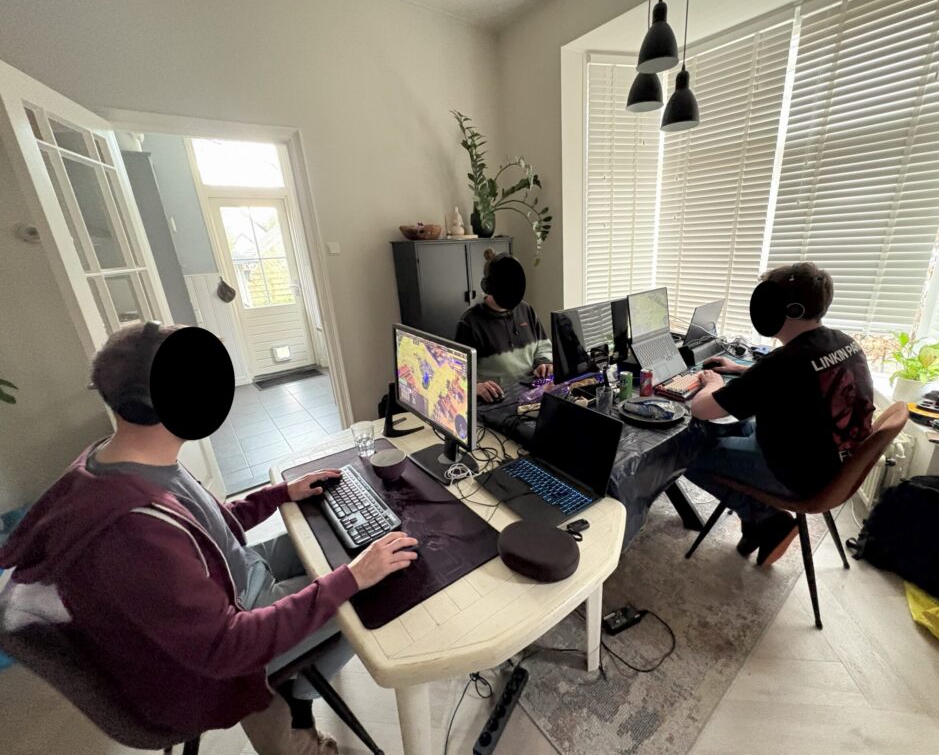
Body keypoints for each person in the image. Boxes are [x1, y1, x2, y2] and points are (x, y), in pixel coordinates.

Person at [0, 323, 419, 755]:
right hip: (235, 635)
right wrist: (352, 578)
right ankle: (297, 695)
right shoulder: (133, 531)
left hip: (232, 578)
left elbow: (203, 526)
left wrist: (278, 494)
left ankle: (298, 683)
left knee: (341, 539)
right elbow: (229, 647)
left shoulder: (119, 457)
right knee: (379, 586)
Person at [686, 262, 875, 566]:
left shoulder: (785, 362)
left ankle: (767, 518)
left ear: (792, 310)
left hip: (801, 477)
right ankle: (756, 523)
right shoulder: (843, 342)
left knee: (687, 454)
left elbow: (702, 409)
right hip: (835, 466)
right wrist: (742, 371)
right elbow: (800, 378)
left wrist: (714, 383)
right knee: (740, 427)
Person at [456, 249, 553, 402]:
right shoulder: (470, 322)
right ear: (487, 286)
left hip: (532, 394)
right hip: (498, 400)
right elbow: (457, 372)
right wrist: (474, 386)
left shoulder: (526, 310)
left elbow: (543, 345)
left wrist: (544, 362)